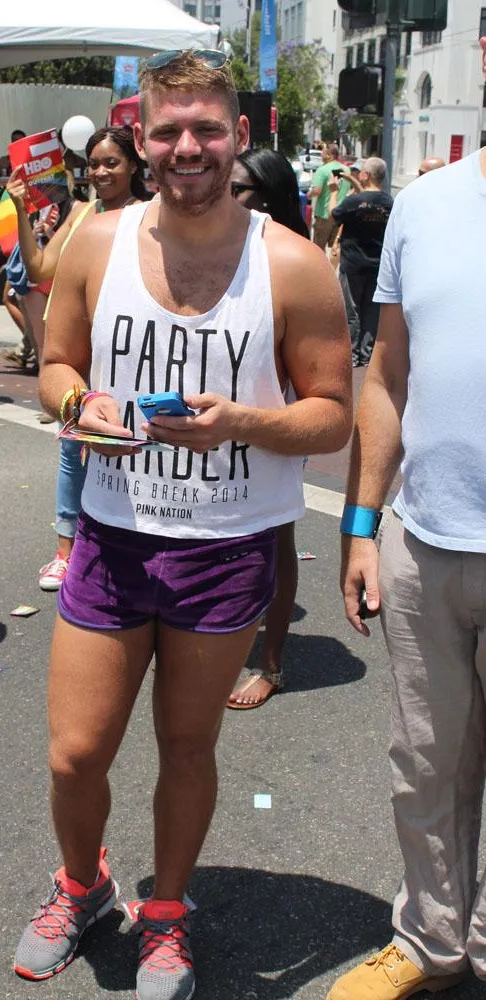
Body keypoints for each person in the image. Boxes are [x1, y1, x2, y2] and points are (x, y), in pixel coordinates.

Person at [12, 51, 352, 1000]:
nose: (187, 147)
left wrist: (240, 422)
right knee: (76, 753)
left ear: (238, 135)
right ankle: (82, 885)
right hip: (112, 538)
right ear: (142, 140)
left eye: (206, 127)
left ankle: (166, 914)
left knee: (187, 748)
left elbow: (333, 414)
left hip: (226, 545)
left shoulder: (292, 263)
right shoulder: (97, 242)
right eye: (168, 131)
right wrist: (80, 406)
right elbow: (55, 366)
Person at [329, 45, 486, 1000]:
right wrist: (360, 525)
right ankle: (432, 941)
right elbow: (386, 376)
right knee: (424, 763)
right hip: (424, 541)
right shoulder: (423, 207)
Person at [8, 125, 150, 591]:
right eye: (94, 164)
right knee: (74, 446)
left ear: (133, 165)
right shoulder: (83, 213)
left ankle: (129, 542)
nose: (101, 172)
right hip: (74, 344)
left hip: (124, 346)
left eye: (112, 162)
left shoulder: (149, 215)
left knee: (128, 440)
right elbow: (38, 268)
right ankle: (66, 551)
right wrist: (21, 211)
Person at [227, 147, 308, 710]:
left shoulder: (295, 260)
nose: (226, 197)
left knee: (274, 539)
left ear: (269, 197)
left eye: (239, 189)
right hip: (214, 420)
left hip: (278, 422)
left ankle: (271, 663)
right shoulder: (218, 247)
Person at [330, 156, 392, 368]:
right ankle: (366, 355)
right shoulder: (390, 203)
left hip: (353, 265)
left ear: (365, 175)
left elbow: (333, 214)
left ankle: (353, 355)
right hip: (378, 265)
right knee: (371, 311)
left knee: (352, 311)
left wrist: (334, 191)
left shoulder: (353, 202)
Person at [309, 142, 348, 251]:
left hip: (324, 215)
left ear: (329, 155)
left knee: (318, 249)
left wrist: (308, 195)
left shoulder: (322, 170)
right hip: (341, 215)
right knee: (335, 249)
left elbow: (317, 191)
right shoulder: (346, 170)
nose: (321, 155)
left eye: (323, 153)